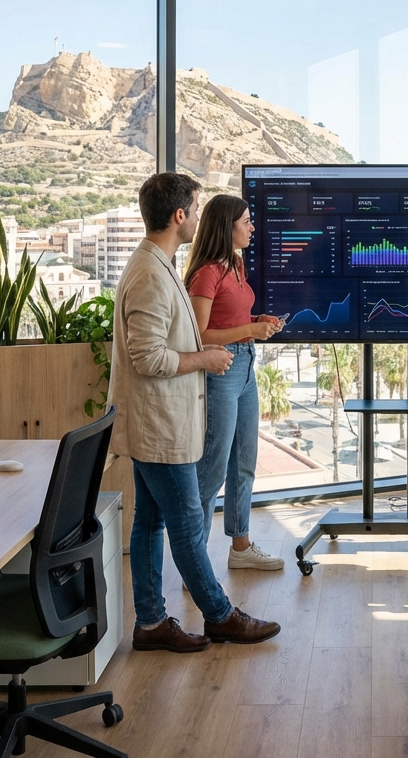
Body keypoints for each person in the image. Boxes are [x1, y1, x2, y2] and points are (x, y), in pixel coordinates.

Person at [108, 172, 281, 653]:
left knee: (149, 522)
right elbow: (148, 357)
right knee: (185, 518)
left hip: (157, 420)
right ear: (180, 215)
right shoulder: (148, 274)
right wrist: (205, 359)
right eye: (197, 209)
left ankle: (150, 622)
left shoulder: (156, 264)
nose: (201, 218)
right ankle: (221, 616)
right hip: (158, 422)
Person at [185, 194, 284, 571]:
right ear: (226, 227)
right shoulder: (207, 272)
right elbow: (199, 334)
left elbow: (231, 316)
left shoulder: (236, 265)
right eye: (245, 221)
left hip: (245, 369)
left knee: (244, 464)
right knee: (211, 470)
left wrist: (258, 317)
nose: (252, 227)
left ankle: (240, 547)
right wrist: (251, 329)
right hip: (220, 373)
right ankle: (195, 564)